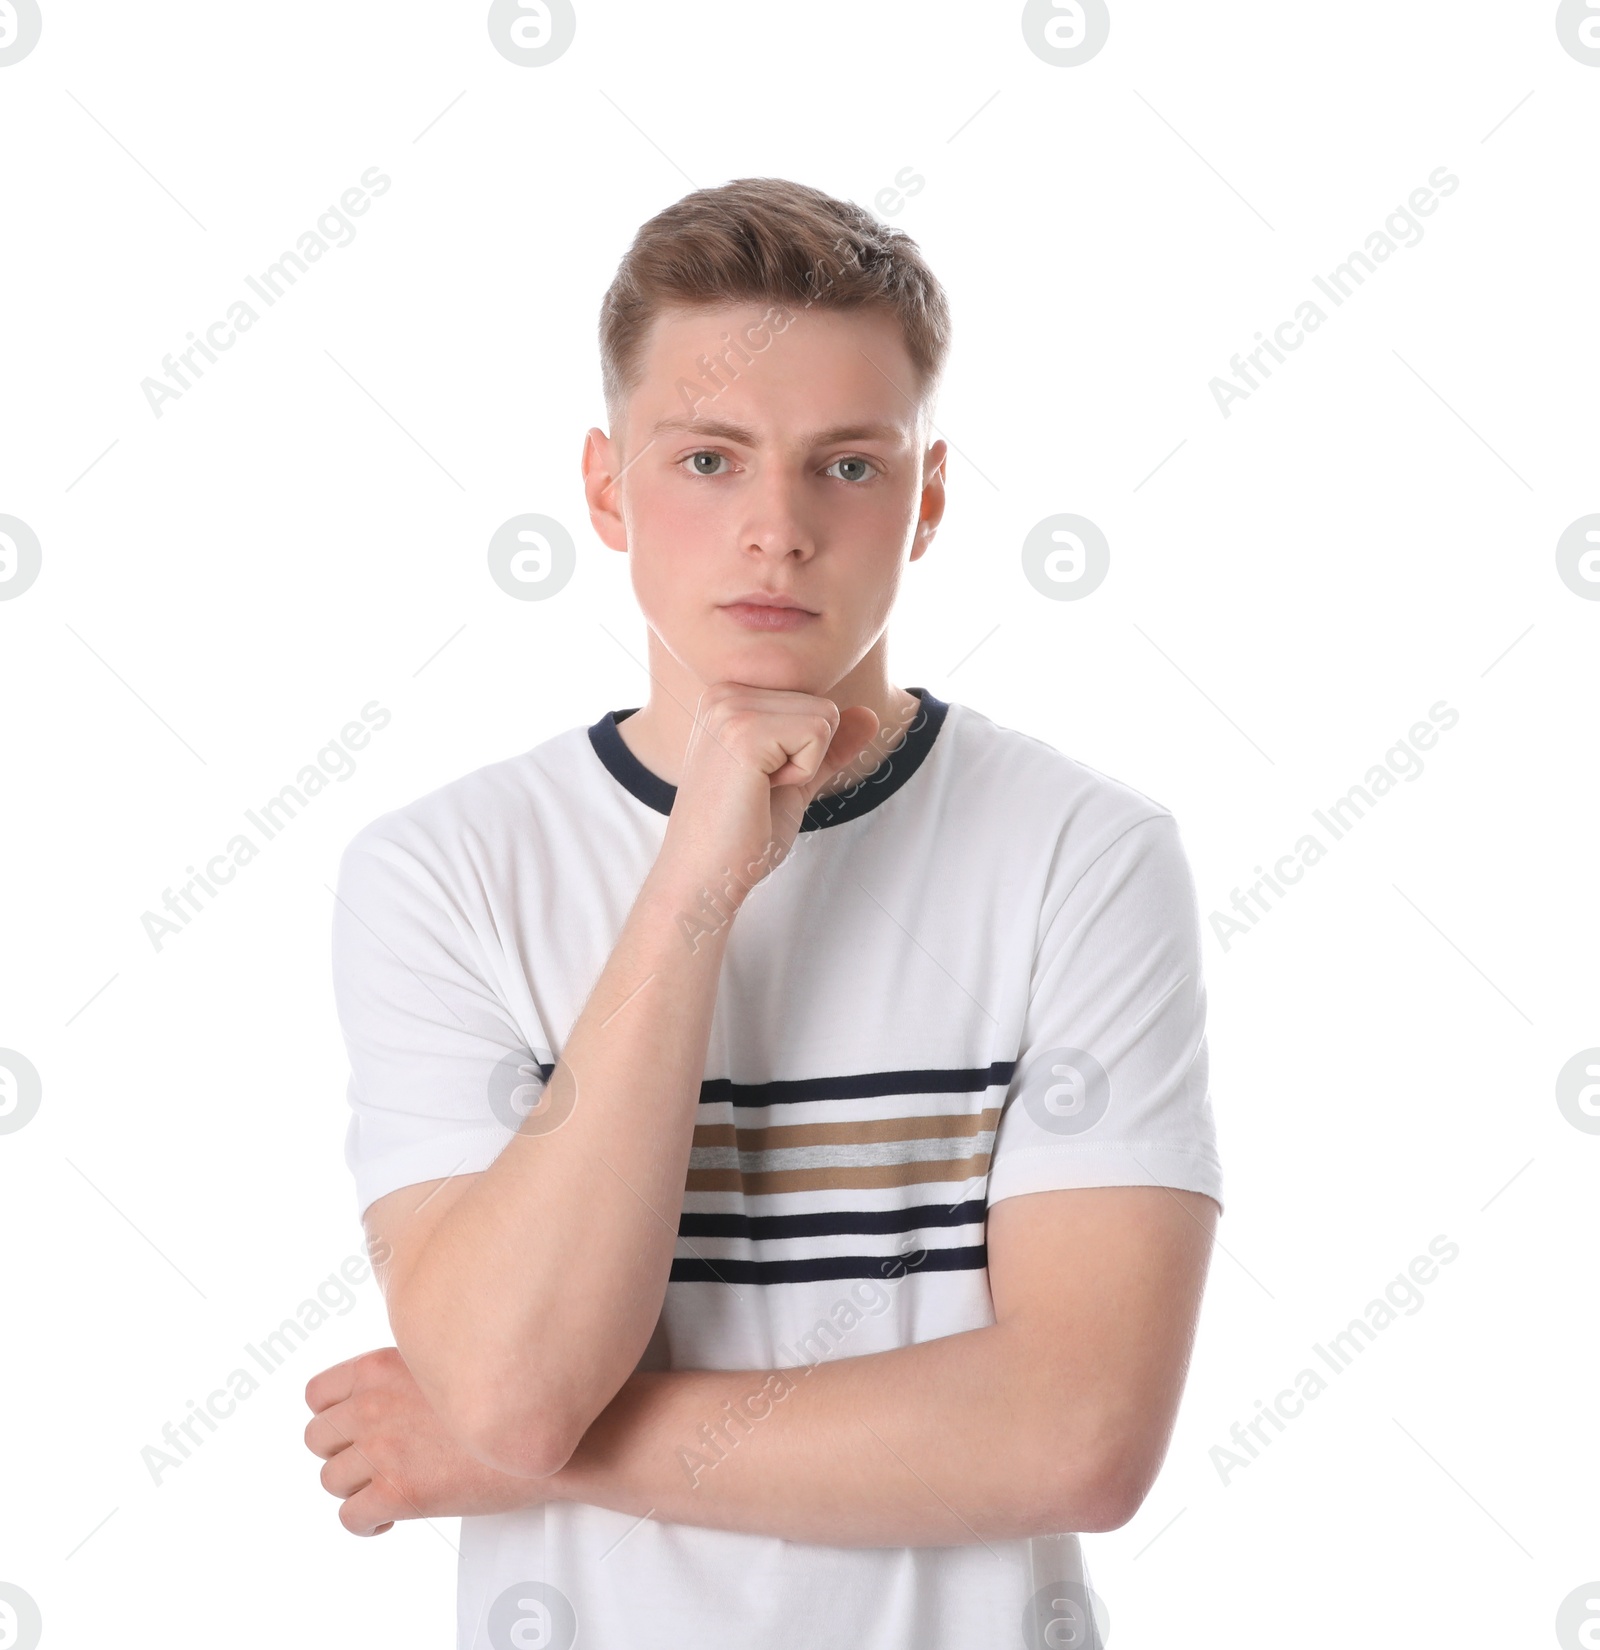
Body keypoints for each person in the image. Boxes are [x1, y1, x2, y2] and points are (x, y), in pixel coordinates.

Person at [303, 176, 1224, 1650]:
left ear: (927, 501)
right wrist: (698, 878)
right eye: (710, 459)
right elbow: (520, 1375)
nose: (777, 529)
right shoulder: (443, 869)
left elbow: (1079, 1435)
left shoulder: (1083, 852)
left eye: (847, 466)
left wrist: (524, 1449)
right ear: (607, 489)